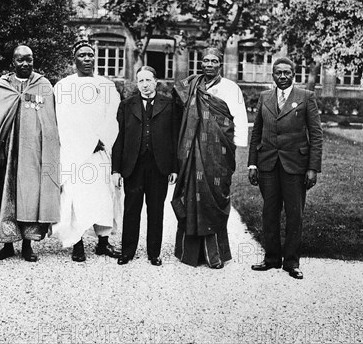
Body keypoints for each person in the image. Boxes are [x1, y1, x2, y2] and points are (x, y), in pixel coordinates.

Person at [0, 45, 60, 262]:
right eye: (20, 60)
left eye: (29, 60)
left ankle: (28, 245)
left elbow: (50, 124)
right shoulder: (2, 86)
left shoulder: (43, 85)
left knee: (29, 197)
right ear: (13, 62)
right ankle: (7, 245)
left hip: (33, 156)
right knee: (6, 195)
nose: (25, 64)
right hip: (5, 154)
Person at [171, 47, 249, 269]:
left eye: (214, 61)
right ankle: (189, 253)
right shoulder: (192, 84)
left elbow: (240, 119)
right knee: (190, 195)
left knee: (213, 198)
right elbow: (177, 108)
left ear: (220, 64)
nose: (209, 64)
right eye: (205, 60)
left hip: (218, 154)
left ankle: (214, 255)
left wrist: (236, 147)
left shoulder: (230, 88)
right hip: (192, 152)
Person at [248, 57, 323, 280]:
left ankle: (291, 262)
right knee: (269, 212)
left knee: (294, 214)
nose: (282, 76)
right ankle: (271, 258)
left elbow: (316, 134)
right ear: (272, 75)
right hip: (268, 164)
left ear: (293, 74)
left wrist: (313, 168)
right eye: (278, 73)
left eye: (286, 73)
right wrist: (252, 163)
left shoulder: (306, 97)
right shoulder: (264, 97)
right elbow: (257, 133)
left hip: (295, 166)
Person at [52, 41, 121, 262]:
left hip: (100, 151)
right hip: (75, 152)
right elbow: (61, 121)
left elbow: (113, 117)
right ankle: (77, 243)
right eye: (82, 55)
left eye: (91, 55)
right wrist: (84, 142)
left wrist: (102, 140)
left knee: (104, 197)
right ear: (75, 59)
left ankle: (103, 242)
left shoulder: (106, 86)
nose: (87, 59)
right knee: (76, 198)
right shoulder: (63, 86)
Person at [112, 66, 181, 266]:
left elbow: (174, 137)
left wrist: (174, 168)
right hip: (132, 165)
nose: (144, 85)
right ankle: (127, 251)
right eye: (140, 81)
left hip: (159, 166)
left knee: (156, 210)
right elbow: (119, 138)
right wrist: (116, 169)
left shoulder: (169, 105)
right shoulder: (127, 105)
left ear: (156, 82)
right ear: (136, 83)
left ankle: (154, 253)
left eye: (148, 80)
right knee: (131, 209)